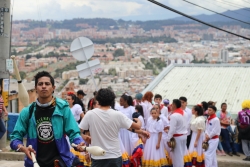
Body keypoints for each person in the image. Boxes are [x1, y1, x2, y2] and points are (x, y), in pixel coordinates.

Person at [10, 71, 85, 167]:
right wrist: (21, 147)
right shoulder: (27, 112)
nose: (44, 86)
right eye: (40, 84)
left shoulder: (63, 109)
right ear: (35, 88)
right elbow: (15, 138)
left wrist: (78, 143)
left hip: (59, 162)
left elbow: (74, 133)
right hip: (35, 163)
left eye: (47, 84)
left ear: (53, 88)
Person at [78, 88, 142, 167]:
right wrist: (139, 120)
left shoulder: (90, 114)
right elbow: (138, 127)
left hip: (97, 156)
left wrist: (84, 137)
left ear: (98, 99)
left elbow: (78, 131)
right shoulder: (118, 114)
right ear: (112, 100)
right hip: (114, 156)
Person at [167, 99, 189, 167]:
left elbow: (172, 129)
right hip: (184, 135)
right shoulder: (185, 113)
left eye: (172, 104)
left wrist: (168, 139)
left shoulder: (174, 115)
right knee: (181, 155)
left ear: (174, 105)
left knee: (177, 157)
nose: (171, 105)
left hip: (177, 137)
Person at [0, 85, 8, 152]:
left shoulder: (0, 96)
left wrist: (5, 111)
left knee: (3, 130)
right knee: (3, 130)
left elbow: (2, 104)